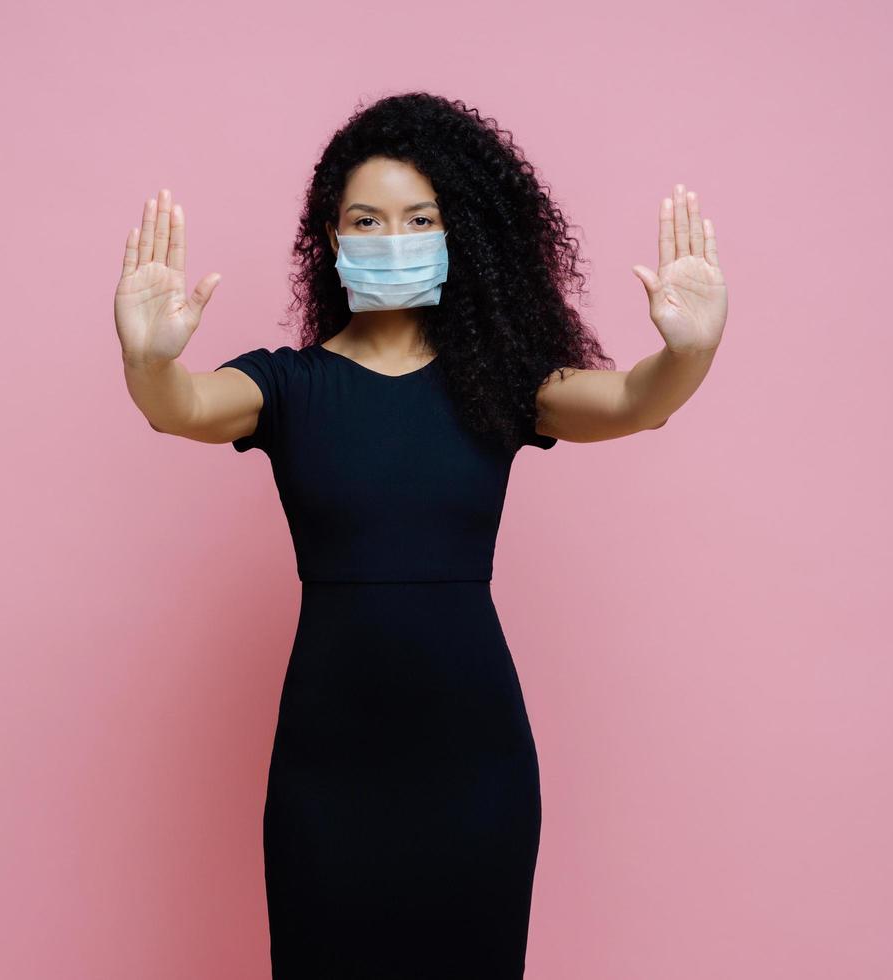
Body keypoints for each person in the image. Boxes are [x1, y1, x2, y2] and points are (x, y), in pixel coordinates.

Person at [117, 92, 727, 979]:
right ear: (332, 240)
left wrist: (689, 355)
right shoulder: (287, 387)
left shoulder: (501, 385)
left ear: (458, 235)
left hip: (474, 766)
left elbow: (635, 402)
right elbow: (181, 407)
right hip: (327, 770)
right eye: (367, 218)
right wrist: (146, 360)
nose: (391, 235)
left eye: (419, 217)